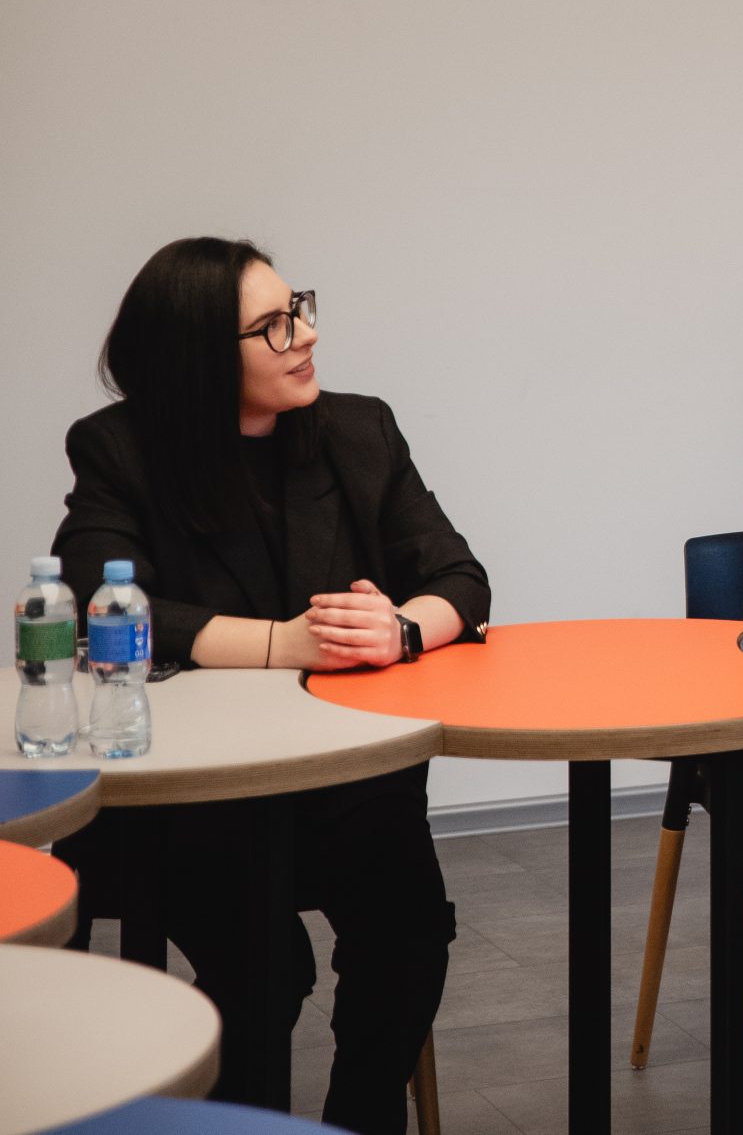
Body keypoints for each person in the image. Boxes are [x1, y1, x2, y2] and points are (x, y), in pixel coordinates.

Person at [51, 237, 489, 1134]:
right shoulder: (120, 450)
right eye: (274, 326)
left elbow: (460, 577)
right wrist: (283, 643)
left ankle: (357, 1115)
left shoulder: (357, 431)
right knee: (267, 966)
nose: (306, 335)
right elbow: (102, 601)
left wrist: (402, 628)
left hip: (339, 777)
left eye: (300, 309)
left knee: (409, 931)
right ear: (201, 357)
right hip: (189, 793)